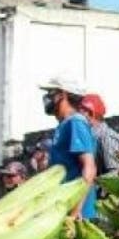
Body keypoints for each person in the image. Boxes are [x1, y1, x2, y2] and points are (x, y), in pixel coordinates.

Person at [40, 75, 97, 219]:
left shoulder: (76, 123)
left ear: (62, 95)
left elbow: (89, 168)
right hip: (64, 207)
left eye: (50, 93)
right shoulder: (64, 125)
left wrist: (76, 210)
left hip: (78, 214)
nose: (47, 97)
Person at [78, 93, 119, 175]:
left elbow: (116, 174)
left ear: (90, 113)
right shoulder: (91, 137)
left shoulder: (108, 137)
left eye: (81, 112)